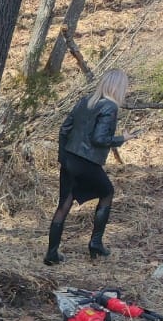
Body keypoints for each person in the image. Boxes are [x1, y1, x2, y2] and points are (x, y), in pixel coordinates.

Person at [44, 69, 128, 264]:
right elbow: (99, 139)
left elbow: (64, 129)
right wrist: (122, 139)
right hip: (86, 161)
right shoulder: (110, 107)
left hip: (70, 158)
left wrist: (63, 158)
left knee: (64, 204)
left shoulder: (85, 101)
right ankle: (96, 244)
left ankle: (51, 254)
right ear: (118, 87)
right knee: (107, 192)